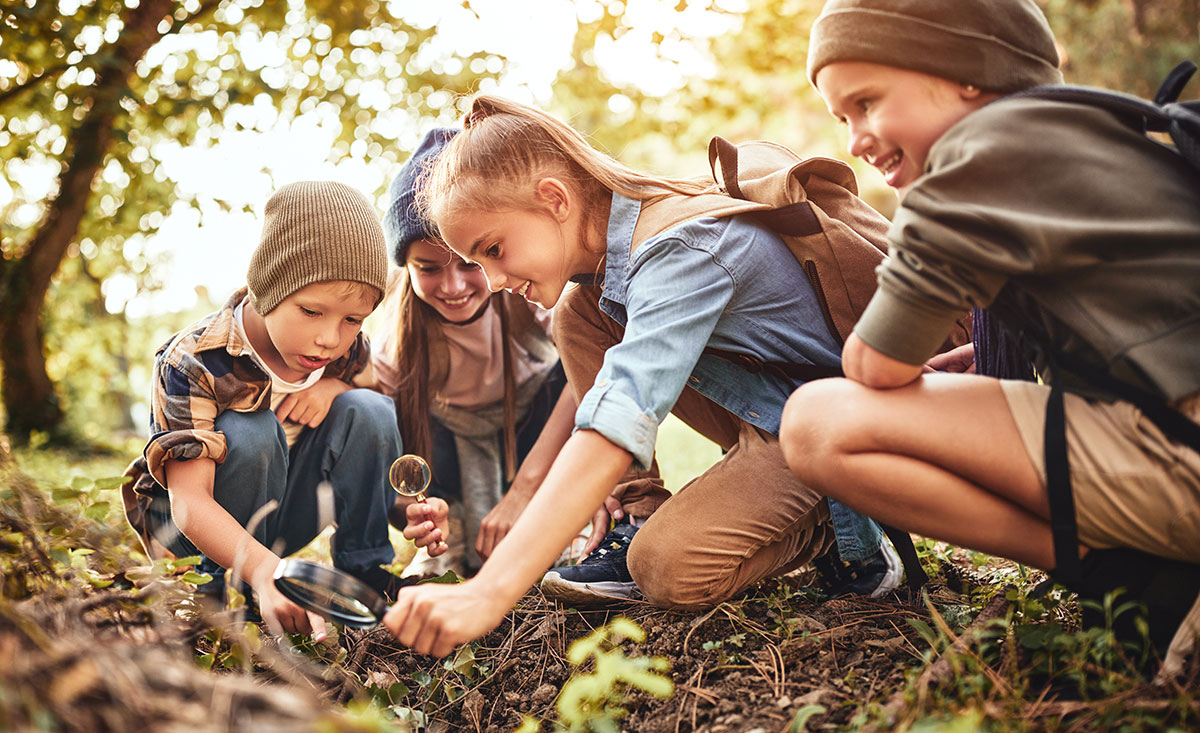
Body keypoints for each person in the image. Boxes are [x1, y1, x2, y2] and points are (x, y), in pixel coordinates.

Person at [381, 94, 923, 657]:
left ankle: (842, 520)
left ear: (554, 199)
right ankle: (638, 515)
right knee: (578, 313)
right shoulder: (600, 283)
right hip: (773, 413)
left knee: (666, 568)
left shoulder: (679, 250)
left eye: (492, 250)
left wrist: (487, 593)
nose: (490, 281)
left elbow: (618, 418)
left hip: (835, 424)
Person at [780, 0, 1200, 666]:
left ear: (965, 75)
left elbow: (874, 367)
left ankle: (1117, 571)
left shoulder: (978, 156)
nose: (855, 138)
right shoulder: (1080, 129)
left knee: (816, 421)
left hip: (1184, 460)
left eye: (866, 102)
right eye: (842, 118)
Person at [121, 181, 403, 640]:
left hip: (275, 521)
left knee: (370, 409)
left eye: (353, 319)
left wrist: (333, 386)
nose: (330, 338)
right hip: (196, 536)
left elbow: (378, 392)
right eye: (311, 311)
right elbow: (189, 502)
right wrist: (266, 571)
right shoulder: (195, 361)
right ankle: (210, 601)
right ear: (269, 288)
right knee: (251, 430)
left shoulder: (340, 354)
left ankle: (366, 574)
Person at [373, 128, 580, 576]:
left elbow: (595, 373)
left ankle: (561, 521)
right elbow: (392, 448)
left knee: (576, 369)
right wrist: (417, 507)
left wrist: (526, 488)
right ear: (406, 268)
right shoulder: (394, 340)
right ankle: (452, 536)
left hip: (529, 437)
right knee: (386, 411)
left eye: (469, 264)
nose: (452, 287)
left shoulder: (525, 290)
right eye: (428, 269)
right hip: (450, 450)